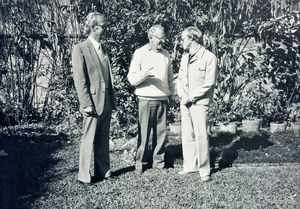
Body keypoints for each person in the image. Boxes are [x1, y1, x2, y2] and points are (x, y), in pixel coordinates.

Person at [72, 12, 116, 184]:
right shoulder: (80, 48)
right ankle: (83, 176)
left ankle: (103, 171)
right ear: (93, 27)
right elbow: (80, 79)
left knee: (103, 138)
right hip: (92, 102)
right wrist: (86, 103)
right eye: (102, 26)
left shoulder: (103, 48)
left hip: (106, 101)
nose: (105, 29)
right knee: (88, 139)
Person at [127, 25, 175, 174]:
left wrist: (172, 94)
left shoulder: (166, 54)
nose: (163, 42)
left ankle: (158, 163)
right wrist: (144, 75)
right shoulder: (140, 53)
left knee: (161, 134)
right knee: (144, 133)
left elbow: (170, 78)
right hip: (145, 99)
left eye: (164, 38)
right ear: (151, 37)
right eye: (160, 39)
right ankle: (140, 164)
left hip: (162, 99)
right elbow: (132, 79)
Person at [176, 26, 217, 182]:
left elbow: (209, 83)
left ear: (192, 38)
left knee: (201, 135)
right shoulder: (185, 57)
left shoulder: (209, 57)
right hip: (185, 101)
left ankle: (204, 170)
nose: (181, 41)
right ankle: (190, 166)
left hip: (199, 103)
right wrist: (182, 95)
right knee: (187, 135)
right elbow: (180, 79)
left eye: (183, 38)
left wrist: (192, 97)